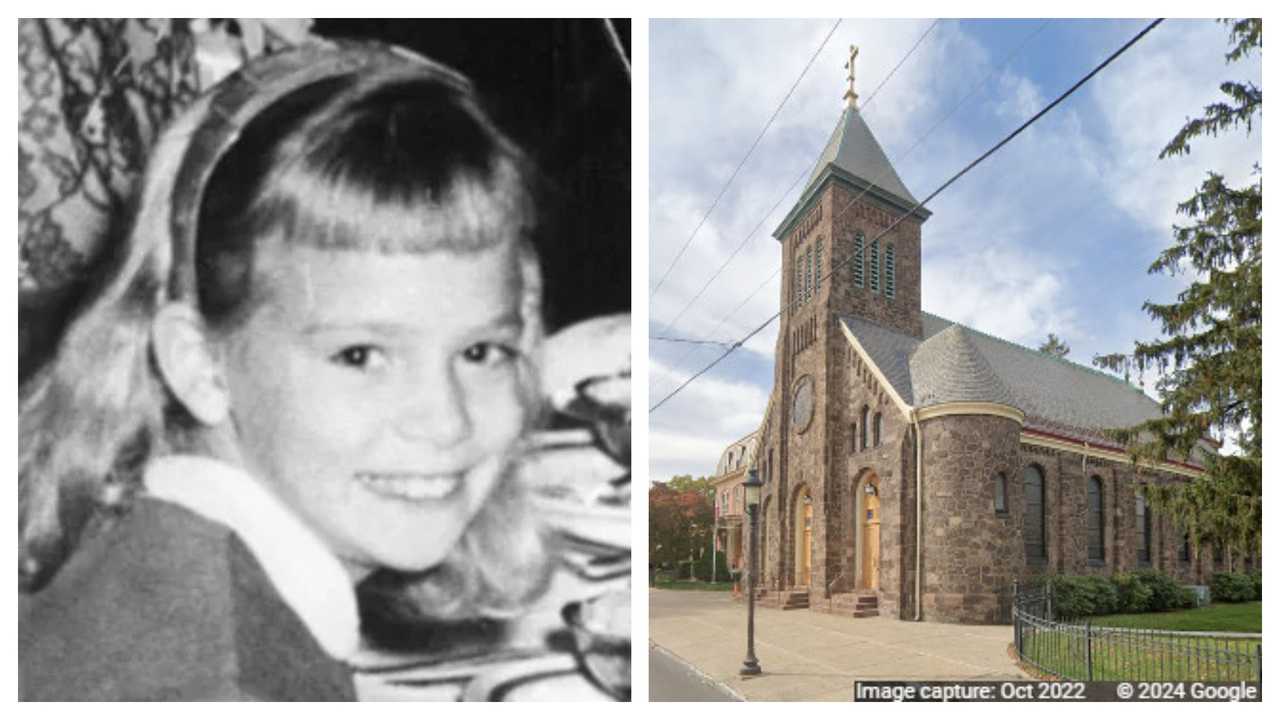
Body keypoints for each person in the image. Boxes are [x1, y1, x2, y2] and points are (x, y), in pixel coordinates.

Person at [18, 39, 555, 700]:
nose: (445, 421)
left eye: (480, 352)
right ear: (200, 365)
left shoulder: (155, 550)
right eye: (360, 356)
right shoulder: (225, 682)